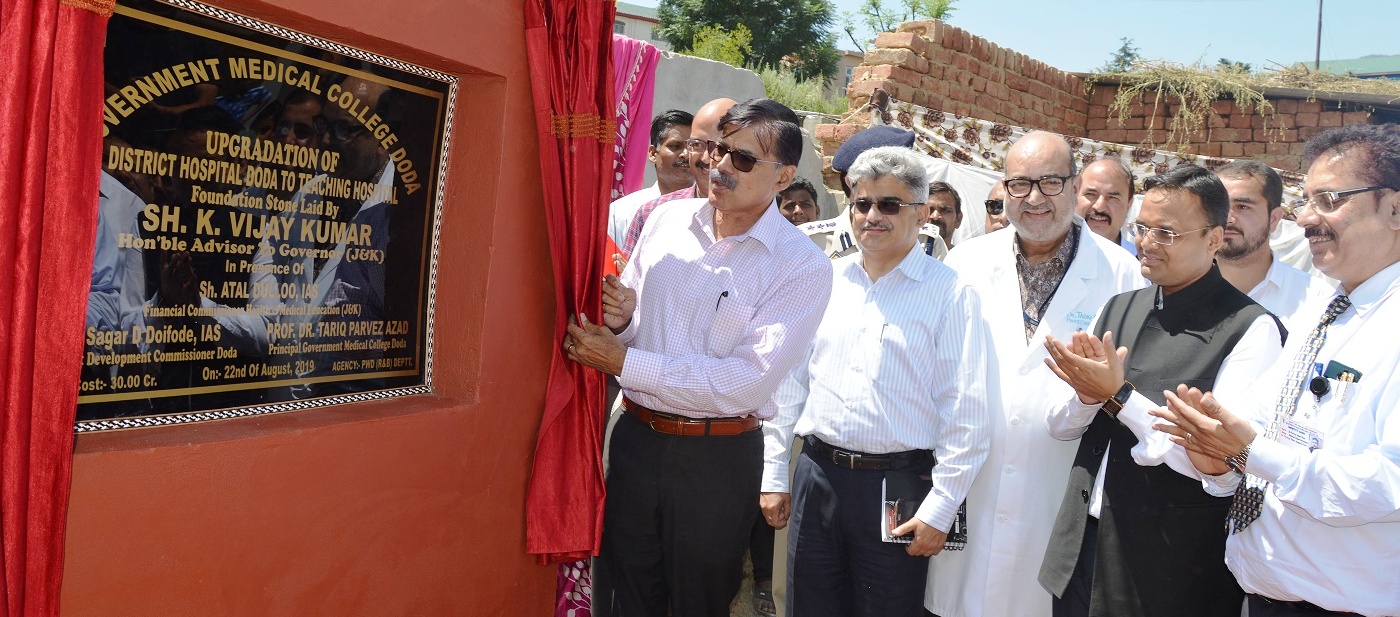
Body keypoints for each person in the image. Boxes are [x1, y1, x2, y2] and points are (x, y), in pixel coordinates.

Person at [567, 98, 833, 617]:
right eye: (719, 151)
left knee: (698, 602)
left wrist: (623, 363)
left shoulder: (802, 267)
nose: (722, 168)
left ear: (784, 177)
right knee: (627, 596)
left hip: (718, 459)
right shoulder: (667, 219)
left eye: (743, 160)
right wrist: (621, 317)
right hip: (636, 442)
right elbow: (639, 324)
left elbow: (746, 383)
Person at [1153, 124, 1400, 617]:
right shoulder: (1322, 306)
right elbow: (1264, 424)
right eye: (1306, 200)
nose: (1307, 218)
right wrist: (1218, 457)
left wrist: (1253, 451)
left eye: (1329, 199)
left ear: (1394, 208)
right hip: (1266, 595)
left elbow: (1389, 484)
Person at [1038, 165, 1284, 617]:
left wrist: (1118, 396)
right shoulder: (1119, 306)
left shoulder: (1250, 329)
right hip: (1082, 544)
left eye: (1166, 233)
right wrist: (1087, 396)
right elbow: (1058, 425)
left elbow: (1220, 465)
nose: (1146, 243)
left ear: (1213, 239)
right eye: (1142, 228)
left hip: (1170, 565)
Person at [762, 147, 992, 617]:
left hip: (898, 486)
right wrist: (773, 474)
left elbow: (966, 411)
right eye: (861, 203)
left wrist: (941, 507)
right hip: (817, 476)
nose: (872, 216)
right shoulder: (824, 279)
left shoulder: (951, 294)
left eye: (890, 204)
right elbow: (790, 385)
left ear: (923, 213)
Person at [924, 131, 1145, 617]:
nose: (1035, 199)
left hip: (1059, 485)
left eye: (1050, 182)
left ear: (1072, 185)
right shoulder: (966, 263)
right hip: (969, 485)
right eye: (1020, 185)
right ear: (1004, 189)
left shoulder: (1122, 275)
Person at [1215, 159, 1335, 334]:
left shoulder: (1316, 300)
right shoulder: (1174, 292)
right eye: (1220, 206)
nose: (1228, 219)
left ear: (1274, 219)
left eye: (1242, 207)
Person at [802, 126, 947, 260]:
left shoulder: (927, 242)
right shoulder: (808, 242)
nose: (873, 216)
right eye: (864, 204)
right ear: (850, 183)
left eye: (889, 205)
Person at [619, 98, 736, 256]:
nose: (707, 158)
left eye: (720, 148)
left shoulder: (756, 222)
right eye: (697, 144)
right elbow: (624, 277)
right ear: (653, 153)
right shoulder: (649, 213)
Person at [607, 109, 694, 245]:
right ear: (653, 154)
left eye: (693, 147)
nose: (685, 154)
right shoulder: (620, 213)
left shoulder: (713, 212)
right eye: (675, 146)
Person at [1075, 158, 1136, 255]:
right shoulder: (1047, 255)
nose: (1099, 207)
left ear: (1129, 204)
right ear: (1074, 195)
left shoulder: (1140, 265)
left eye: (1112, 197)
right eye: (1091, 194)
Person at [927, 181, 963, 249]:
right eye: (929, 210)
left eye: (945, 211)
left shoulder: (963, 259)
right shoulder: (902, 257)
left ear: (958, 219)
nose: (935, 216)